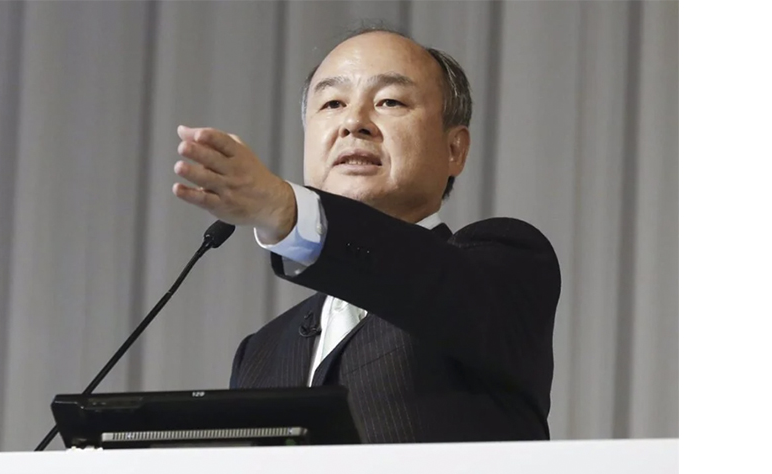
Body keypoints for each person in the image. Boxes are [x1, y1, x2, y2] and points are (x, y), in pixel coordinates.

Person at [171, 27, 560, 443]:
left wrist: (285, 209)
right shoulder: (261, 351)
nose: (353, 123)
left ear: (455, 150)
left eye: (389, 101)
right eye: (333, 104)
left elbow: (430, 281)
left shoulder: (506, 267)